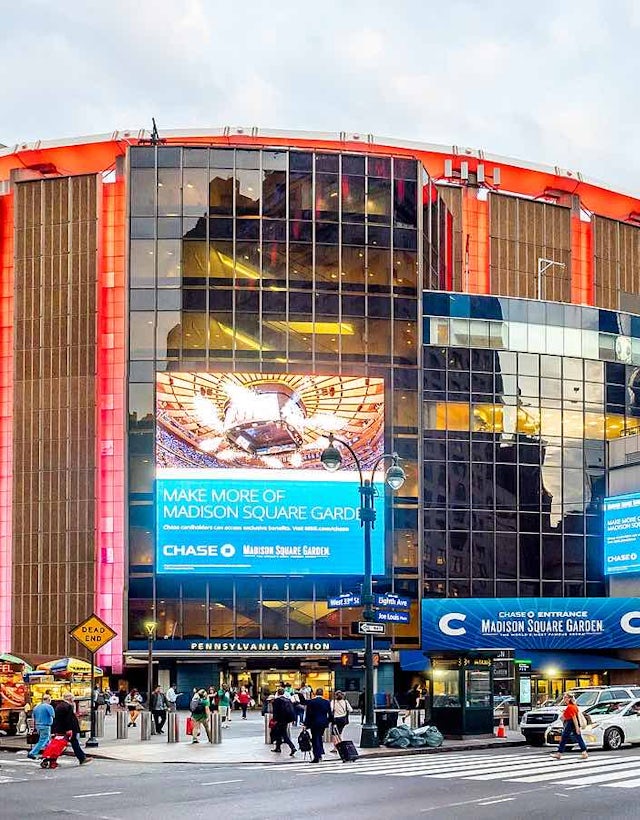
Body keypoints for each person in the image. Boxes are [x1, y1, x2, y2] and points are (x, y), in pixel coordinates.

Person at [52, 692, 92, 765]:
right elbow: (68, 719)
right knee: (72, 742)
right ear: (70, 698)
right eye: (73, 698)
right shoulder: (68, 706)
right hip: (68, 729)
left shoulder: (59, 705)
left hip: (61, 728)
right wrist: (69, 729)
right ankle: (82, 758)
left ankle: (52, 758)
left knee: (63, 744)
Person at [551, 693, 588, 760]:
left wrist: (577, 728)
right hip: (572, 723)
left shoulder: (570, 707)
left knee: (564, 737)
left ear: (569, 699)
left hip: (571, 723)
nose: (564, 699)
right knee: (578, 738)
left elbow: (574, 718)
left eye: (565, 697)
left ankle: (559, 753)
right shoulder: (573, 706)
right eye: (564, 697)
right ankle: (584, 752)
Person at [304, 687, 332, 763]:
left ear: (315, 693)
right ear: (322, 693)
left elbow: (308, 714)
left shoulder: (311, 702)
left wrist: (306, 724)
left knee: (315, 738)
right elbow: (330, 713)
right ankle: (320, 752)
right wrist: (329, 721)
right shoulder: (326, 702)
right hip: (323, 722)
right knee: (319, 737)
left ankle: (317, 755)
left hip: (314, 722)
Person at [27, 694, 55, 760]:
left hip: (38, 725)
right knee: (42, 740)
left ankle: (48, 754)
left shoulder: (36, 707)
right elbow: (53, 715)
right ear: (49, 700)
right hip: (45, 725)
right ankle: (32, 753)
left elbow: (33, 717)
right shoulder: (48, 706)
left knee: (47, 741)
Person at [271, 688, 296, 756]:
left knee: (284, 735)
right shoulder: (288, 700)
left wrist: (274, 720)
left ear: (278, 693)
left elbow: (275, 711)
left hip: (280, 720)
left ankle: (292, 747)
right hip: (286, 720)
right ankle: (278, 748)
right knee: (279, 734)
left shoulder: (277, 700)